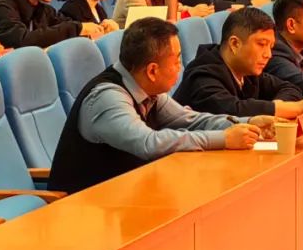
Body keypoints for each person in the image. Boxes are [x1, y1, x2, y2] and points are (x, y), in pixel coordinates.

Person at [47, 17, 271, 194]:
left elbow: (189, 120)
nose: (180, 67)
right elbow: (148, 143)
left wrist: (248, 123)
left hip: (124, 196)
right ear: (153, 70)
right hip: (85, 208)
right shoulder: (108, 98)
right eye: (177, 60)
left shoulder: (146, 89)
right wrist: (224, 139)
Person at [173, 7, 303, 119]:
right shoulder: (203, 77)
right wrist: (296, 108)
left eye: (271, 47)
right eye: (261, 44)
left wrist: (278, 108)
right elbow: (234, 111)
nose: (268, 54)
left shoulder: (247, 71)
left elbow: (289, 87)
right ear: (235, 44)